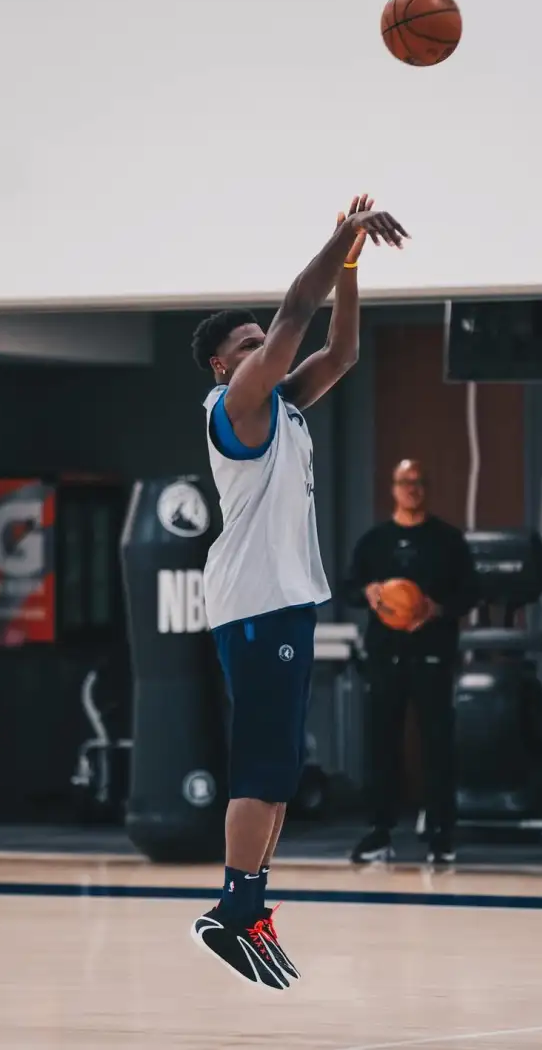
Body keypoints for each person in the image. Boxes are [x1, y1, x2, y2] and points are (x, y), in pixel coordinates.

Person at [189, 196, 409, 992]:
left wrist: (351, 266)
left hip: (282, 601)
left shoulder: (282, 407)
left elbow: (341, 350)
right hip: (254, 604)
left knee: (279, 769)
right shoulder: (236, 408)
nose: (268, 349)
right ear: (225, 367)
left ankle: (250, 907)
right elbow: (294, 316)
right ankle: (231, 909)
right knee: (260, 766)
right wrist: (338, 235)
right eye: (249, 346)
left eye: (263, 343)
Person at [343, 459, 478, 865]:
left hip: (432, 652)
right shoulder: (375, 542)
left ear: (426, 488)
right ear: (393, 488)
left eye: (418, 481)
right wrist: (368, 592)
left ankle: (441, 834)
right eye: (405, 481)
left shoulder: (448, 541)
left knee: (437, 744)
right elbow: (348, 588)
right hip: (385, 654)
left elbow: (470, 593)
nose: (412, 488)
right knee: (381, 744)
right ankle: (379, 832)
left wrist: (437, 608)